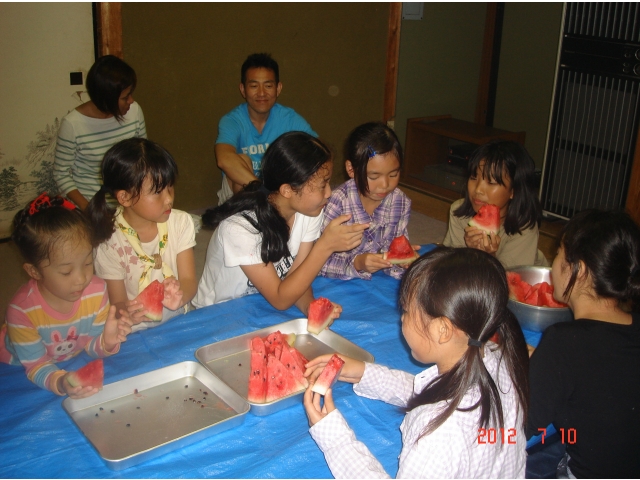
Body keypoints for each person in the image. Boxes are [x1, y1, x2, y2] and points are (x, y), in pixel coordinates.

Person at [304, 247, 530, 478]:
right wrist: (364, 373)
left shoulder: (436, 437)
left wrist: (335, 439)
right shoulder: (497, 358)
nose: (402, 317)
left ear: (442, 330)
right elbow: (431, 390)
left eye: (407, 311)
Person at [193, 131, 368, 318]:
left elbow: (298, 277)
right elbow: (280, 300)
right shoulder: (240, 229)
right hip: (218, 315)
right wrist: (325, 246)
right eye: (322, 185)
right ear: (287, 190)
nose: (329, 193)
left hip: (262, 306)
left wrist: (310, 307)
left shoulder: (309, 213)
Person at [526, 209, 640, 478]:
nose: (553, 263)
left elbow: (518, 428)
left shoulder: (563, 342)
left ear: (580, 269)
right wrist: (544, 365)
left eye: (558, 254)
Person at [0, 194, 132, 398]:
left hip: (68, 353)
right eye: (66, 272)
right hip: (18, 362)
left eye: (88, 263)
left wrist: (106, 341)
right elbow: (36, 366)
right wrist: (61, 382)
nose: (82, 278)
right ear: (34, 271)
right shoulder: (21, 312)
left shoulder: (97, 291)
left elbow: (90, 344)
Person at [87, 138, 197, 331]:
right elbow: (119, 302)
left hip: (179, 316)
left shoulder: (181, 222)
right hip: (136, 328)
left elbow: (189, 281)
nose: (169, 199)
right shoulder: (108, 242)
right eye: (158, 192)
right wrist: (128, 313)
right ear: (125, 197)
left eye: (170, 187)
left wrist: (180, 296)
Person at [215, 52, 317, 204]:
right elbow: (224, 160)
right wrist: (263, 190)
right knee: (242, 160)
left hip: (277, 194)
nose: (262, 93)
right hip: (237, 199)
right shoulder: (232, 120)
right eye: (254, 86)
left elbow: (318, 151)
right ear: (243, 89)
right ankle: (245, 221)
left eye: (268, 86)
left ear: (278, 88)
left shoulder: (288, 118)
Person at [319, 122, 415, 280]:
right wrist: (357, 263)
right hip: (336, 283)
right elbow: (317, 262)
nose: (385, 185)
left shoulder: (401, 202)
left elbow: (394, 248)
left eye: (393, 175)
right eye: (374, 177)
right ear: (351, 169)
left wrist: (404, 262)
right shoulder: (335, 204)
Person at [54, 55, 147, 211]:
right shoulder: (73, 124)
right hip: (92, 205)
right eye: (125, 97)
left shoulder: (134, 111)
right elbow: (61, 174)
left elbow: (143, 158)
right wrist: (88, 209)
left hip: (128, 203)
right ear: (106, 99)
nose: (131, 101)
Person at [442, 140, 548, 269]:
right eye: (473, 178)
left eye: (491, 182)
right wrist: (469, 253)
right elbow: (450, 267)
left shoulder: (524, 228)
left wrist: (489, 256)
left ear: (513, 191)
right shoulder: (458, 212)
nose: (478, 190)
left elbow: (510, 282)